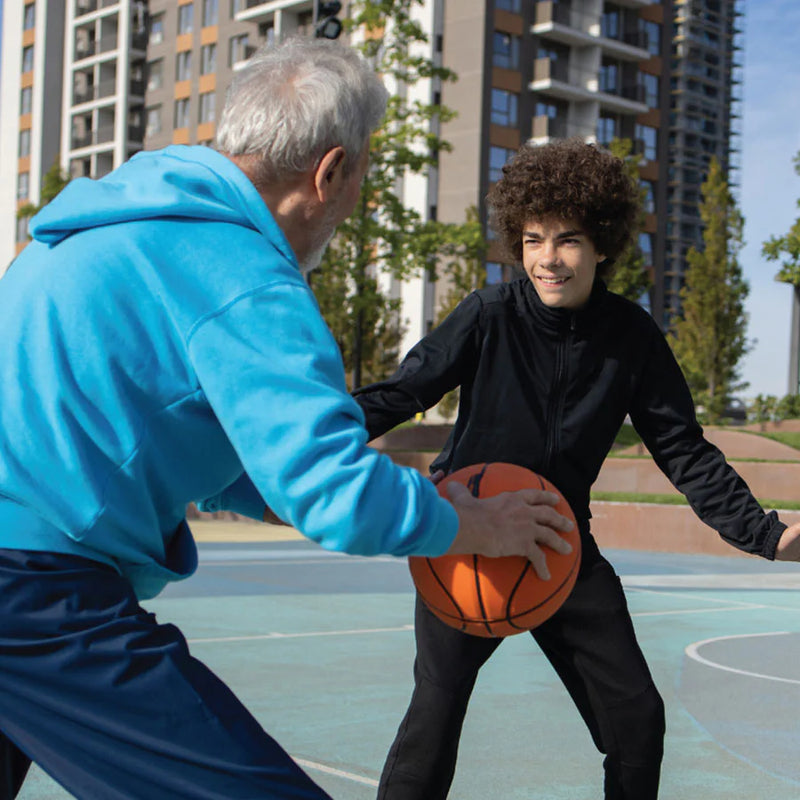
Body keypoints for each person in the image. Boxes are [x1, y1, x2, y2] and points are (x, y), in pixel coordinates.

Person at [0, 39, 575, 800]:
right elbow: (330, 492)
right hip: (34, 591)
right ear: (330, 172)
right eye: (361, 176)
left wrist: (350, 494)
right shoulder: (242, 276)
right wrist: (471, 526)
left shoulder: (102, 225)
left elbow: (170, 429)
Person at [353, 137, 800, 800]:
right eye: (532, 240)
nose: (547, 259)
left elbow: (682, 448)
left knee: (637, 721)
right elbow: (402, 392)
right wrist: (298, 441)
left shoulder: (633, 338)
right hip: (468, 538)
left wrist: (765, 534)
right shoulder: (488, 315)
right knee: (433, 720)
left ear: (601, 245)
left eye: (566, 240)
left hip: (561, 546)